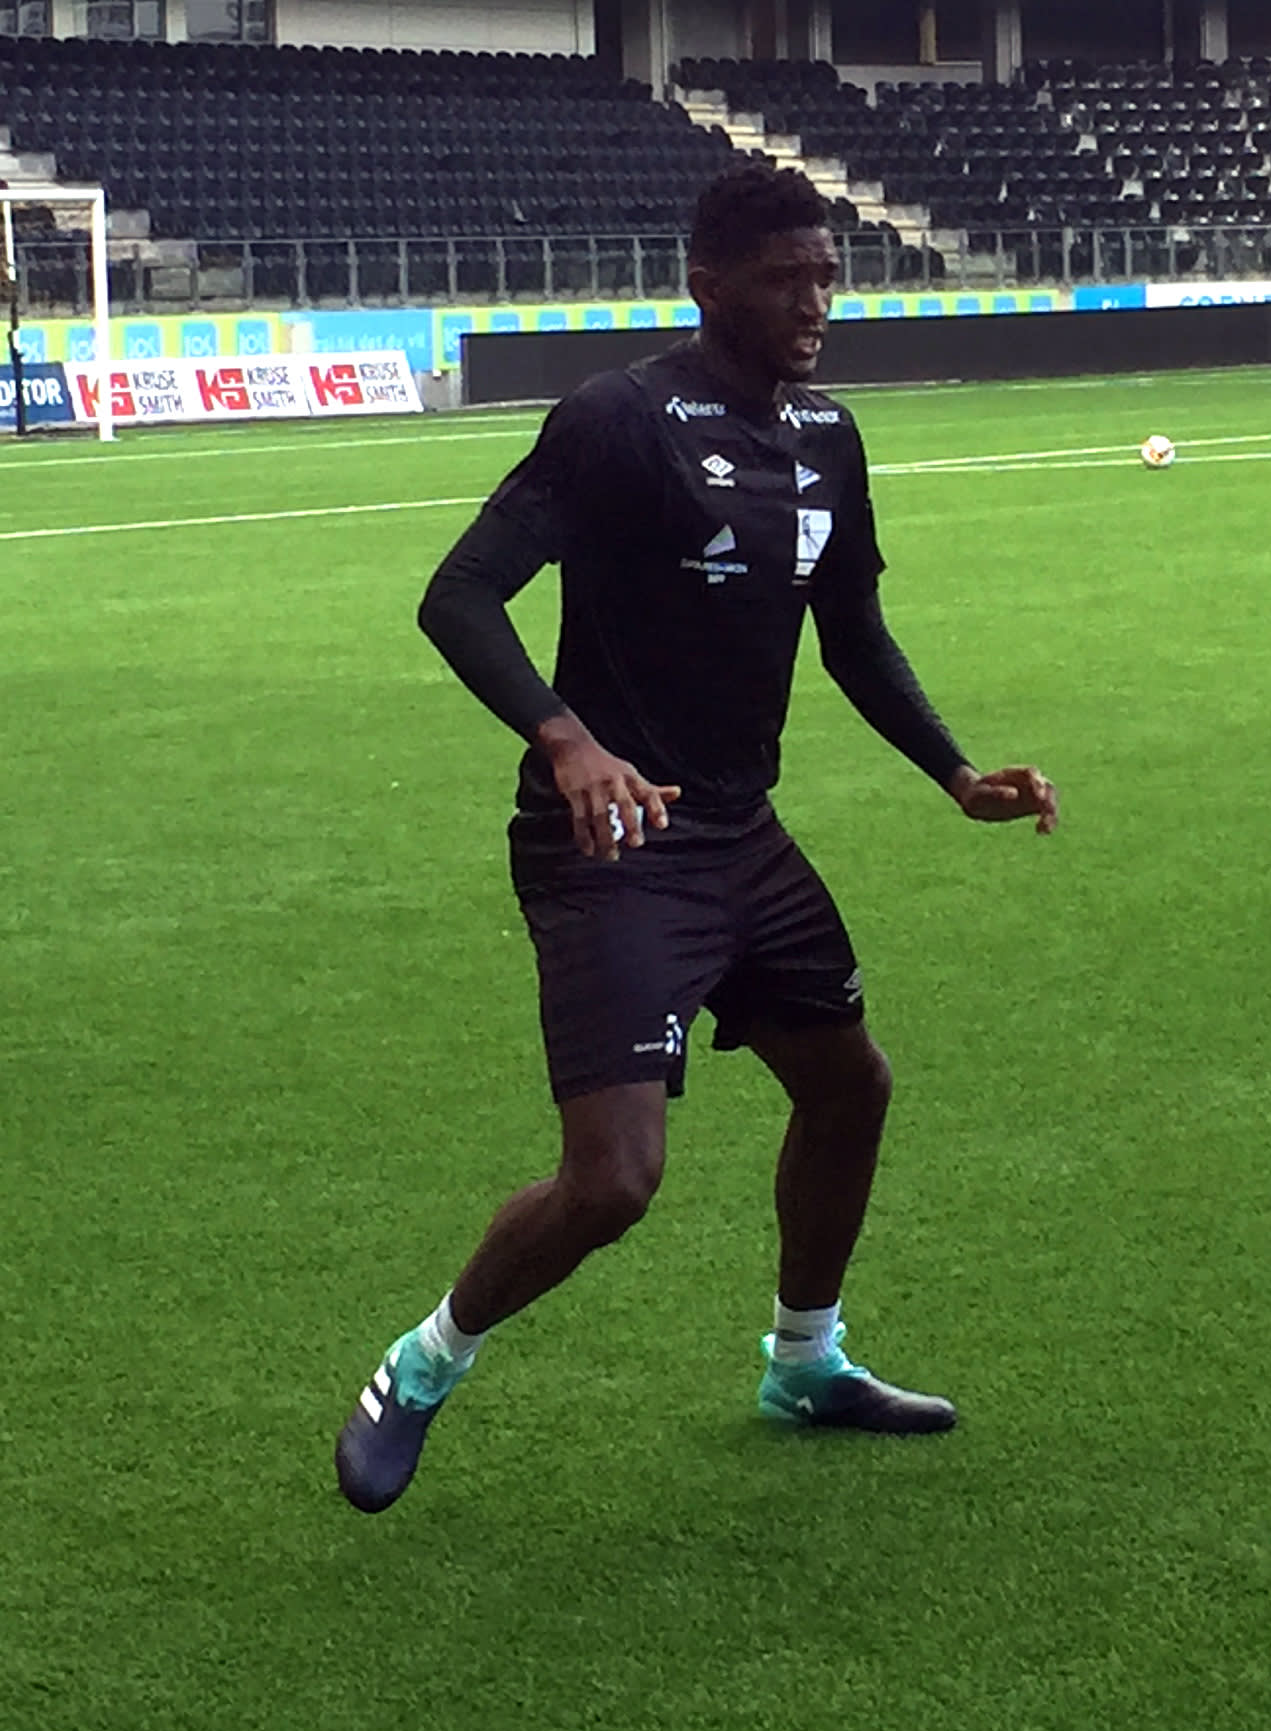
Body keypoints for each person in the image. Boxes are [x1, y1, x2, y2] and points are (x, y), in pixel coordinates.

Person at [334, 163, 1061, 1514]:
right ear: (709, 285)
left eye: (828, 275)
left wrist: (955, 772)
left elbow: (852, 634)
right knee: (614, 1182)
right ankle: (423, 1363)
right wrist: (567, 740)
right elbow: (460, 595)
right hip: (613, 843)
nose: (816, 302)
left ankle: (806, 1361)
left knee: (850, 1088)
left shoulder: (829, 435)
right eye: (787, 278)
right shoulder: (619, 420)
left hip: (741, 837)